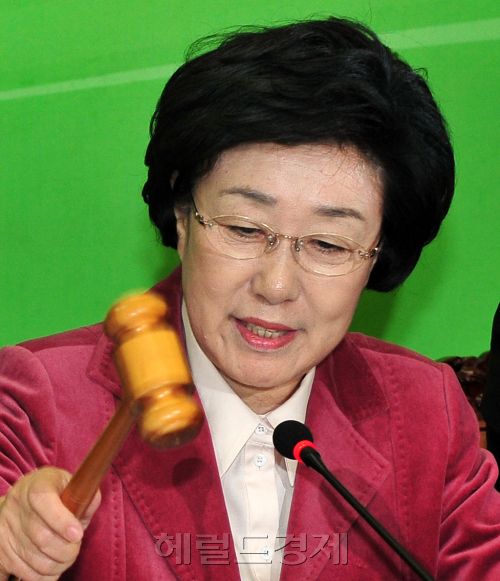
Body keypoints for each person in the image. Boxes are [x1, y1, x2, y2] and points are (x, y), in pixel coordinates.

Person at [0, 16, 499, 581]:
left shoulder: (423, 411)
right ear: (184, 216)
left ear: (377, 255)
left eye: (329, 243)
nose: (277, 285)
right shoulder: (38, 399)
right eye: (243, 228)